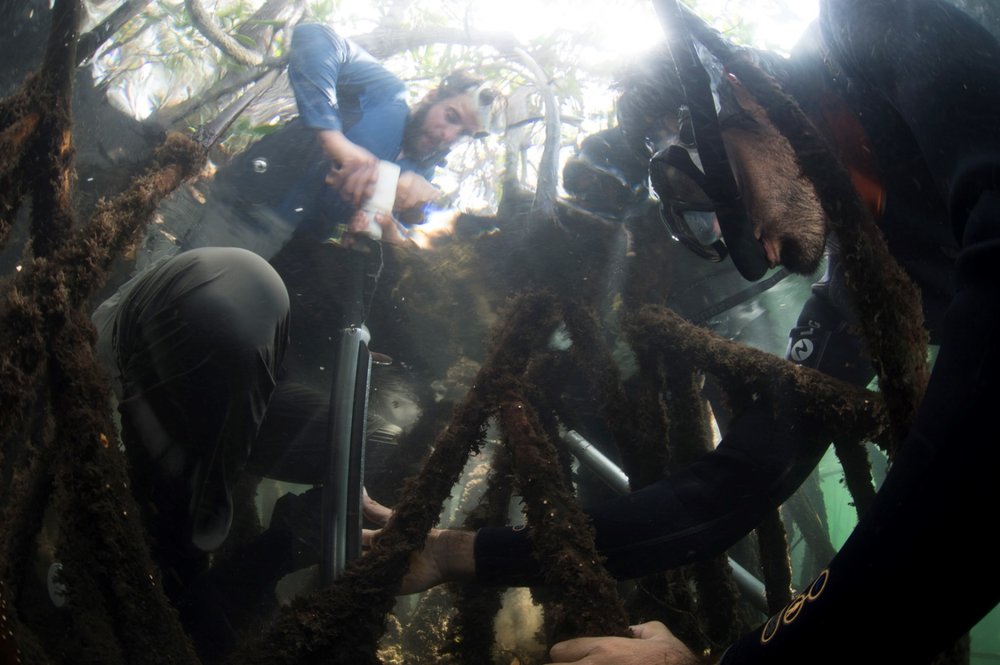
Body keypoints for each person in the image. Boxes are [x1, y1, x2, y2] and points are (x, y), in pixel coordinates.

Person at [368, 1, 1000, 663]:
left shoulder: (869, 25)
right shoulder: (857, 285)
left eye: (689, 180)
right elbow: (731, 486)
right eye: (689, 218)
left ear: (736, 93)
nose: (724, 234)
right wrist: (460, 551)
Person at [92, 21, 496, 658]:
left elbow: (409, 236)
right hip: (245, 214)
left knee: (237, 362)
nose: (446, 131)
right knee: (161, 311)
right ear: (436, 93)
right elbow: (314, 37)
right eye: (449, 114)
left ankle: (191, 529)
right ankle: (91, 402)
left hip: (286, 269)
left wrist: (402, 208)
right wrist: (335, 139)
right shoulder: (386, 94)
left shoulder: (414, 170)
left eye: (461, 131)